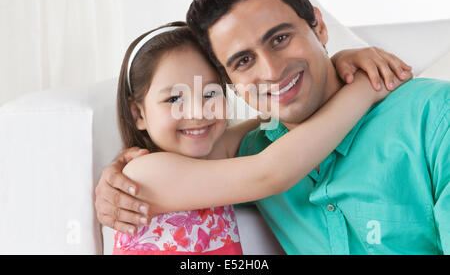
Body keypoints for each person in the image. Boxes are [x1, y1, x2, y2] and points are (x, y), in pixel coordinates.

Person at [98, 0, 449, 254]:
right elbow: (267, 170)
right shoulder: (254, 154)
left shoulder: (432, 118)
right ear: (232, 82)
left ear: (319, 26)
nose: (271, 71)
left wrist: (350, 71)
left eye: (280, 38)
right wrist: (361, 87)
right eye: (243, 61)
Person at [110, 21, 408, 254]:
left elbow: (282, 116)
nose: (198, 112)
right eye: (175, 98)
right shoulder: (143, 173)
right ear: (138, 114)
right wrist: (366, 89)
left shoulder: (214, 150)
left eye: (211, 93)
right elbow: (272, 172)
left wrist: (338, 65)